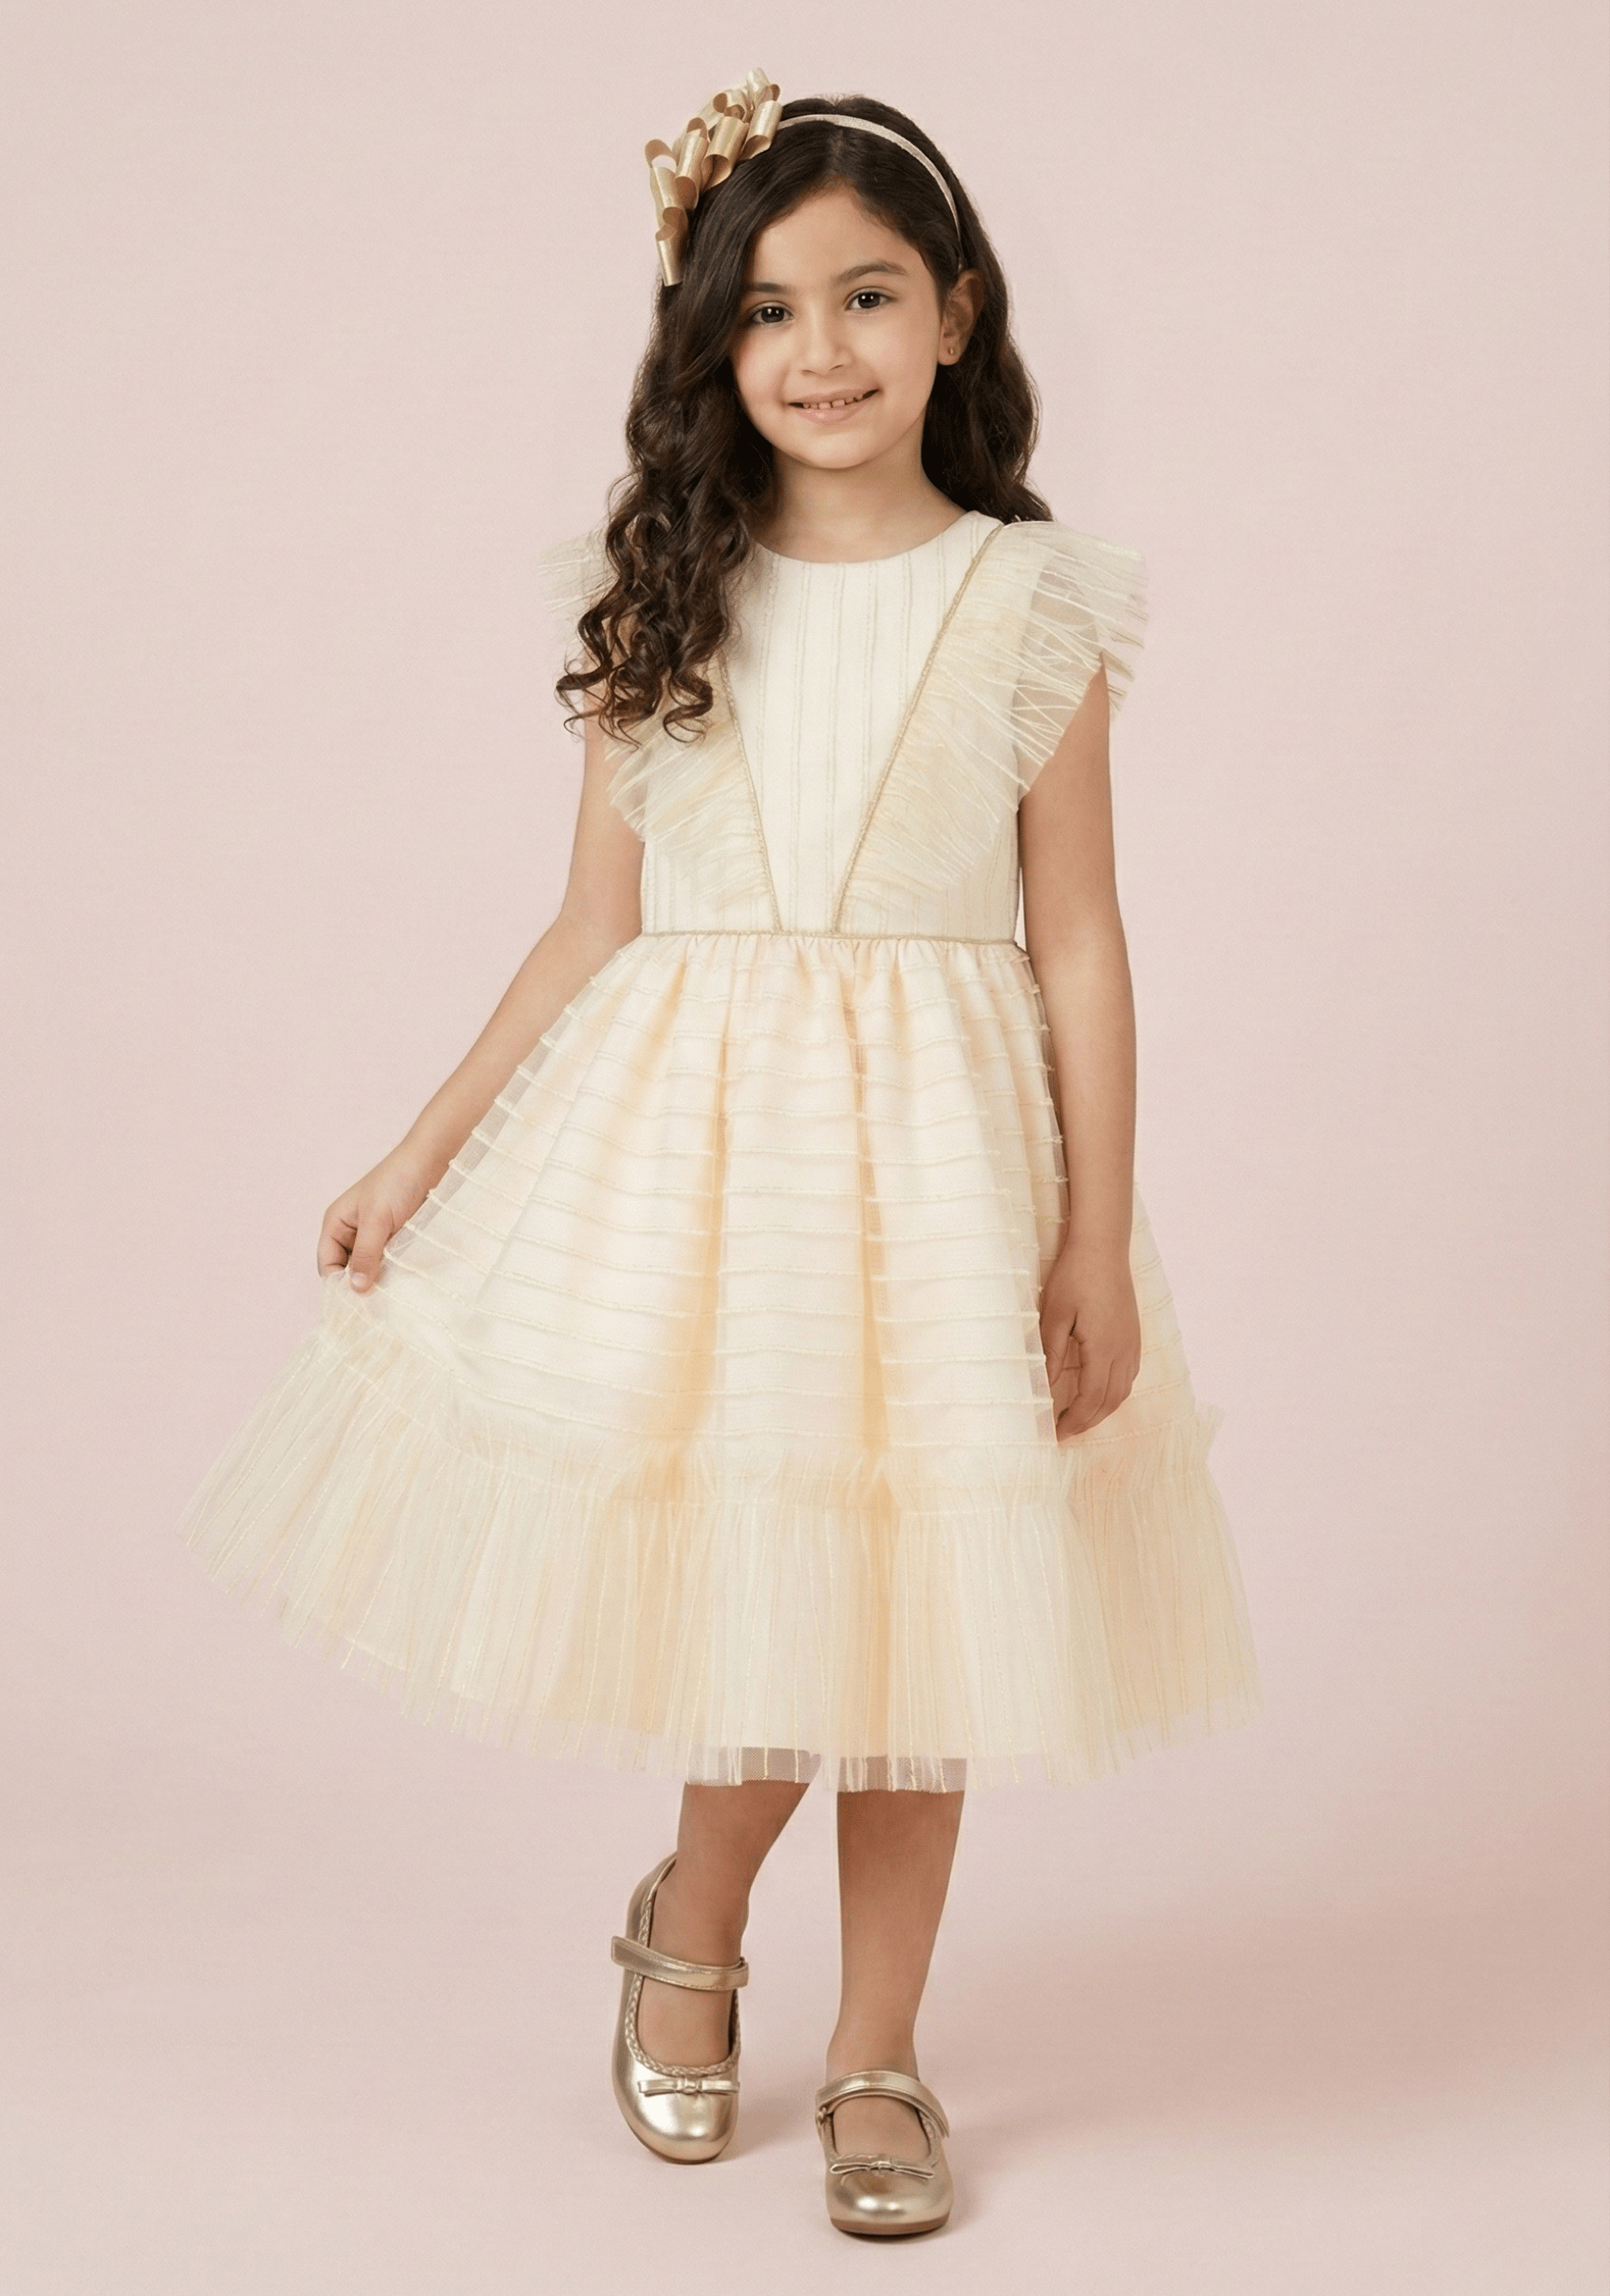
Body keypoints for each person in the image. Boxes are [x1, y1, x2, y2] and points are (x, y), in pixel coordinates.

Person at [182, 73, 1262, 2238]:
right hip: (726, 1170)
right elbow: (591, 921)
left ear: (955, 314)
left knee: (931, 1621)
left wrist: (1094, 1241)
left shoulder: (1028, 600)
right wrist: (416, 1154)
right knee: (777, 1591)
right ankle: (692, 1907)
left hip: (947, 1168)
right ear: (712, 344)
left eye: (866, 296)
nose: (820, 349)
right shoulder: (665, 590)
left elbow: (1079, 931)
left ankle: (879, 2048)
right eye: (766, 311)